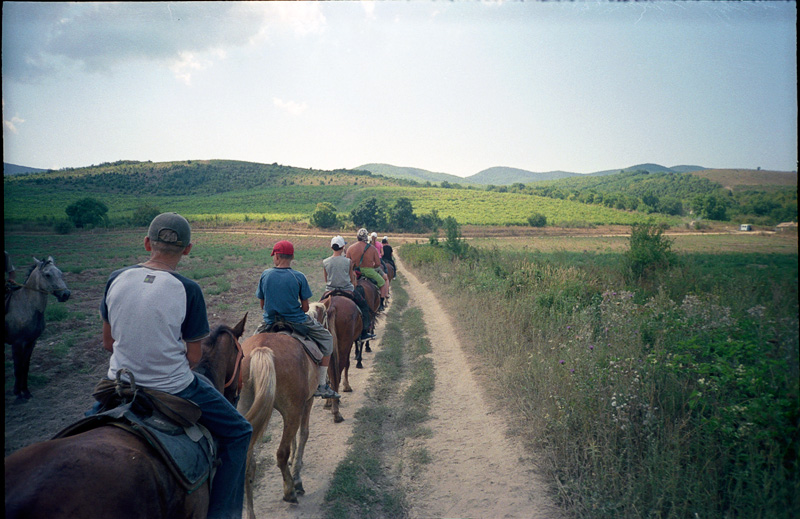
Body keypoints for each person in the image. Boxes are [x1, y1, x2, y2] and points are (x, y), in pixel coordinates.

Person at [98, 212, 252, 519]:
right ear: (187, 249)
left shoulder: (116, 278)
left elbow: (108, 343)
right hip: (173, 386)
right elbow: (194, 358)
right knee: (239, 432)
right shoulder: (188, 289)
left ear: (146, 243)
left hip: (118, 383)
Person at [255, 240, 340, 400]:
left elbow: (262, 305)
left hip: (270, 322)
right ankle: (321, 384)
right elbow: (306, 308)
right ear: (292, 256)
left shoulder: (265, 274)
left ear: (277, 256)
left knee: (247, 349)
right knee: (327, 339)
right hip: (296, 321)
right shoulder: (299, 276)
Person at [322, 236, 376, 341]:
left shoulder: (325, 262)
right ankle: (364, 332)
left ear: (332, 247)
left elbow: (326, 279)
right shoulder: (348, 262)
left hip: (330, 290)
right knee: (364, 306)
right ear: (343, 247)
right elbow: (351, 279)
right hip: (347, 289)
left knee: (320, 310)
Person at [346, 228, 387, 311]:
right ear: (366, 237)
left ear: (357, 237)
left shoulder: (350, 248)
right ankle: (381, 304)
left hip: (355, 272)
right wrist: (372, 266)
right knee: (383, 283)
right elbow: (378, 263)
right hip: (369, 271)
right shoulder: (372, 248)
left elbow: (347, 263)